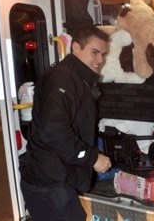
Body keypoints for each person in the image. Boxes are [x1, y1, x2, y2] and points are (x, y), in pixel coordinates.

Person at [19, 25, 112, 221]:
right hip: (48, 182)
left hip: (54, 180)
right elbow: (53, 132)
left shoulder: (78, 78)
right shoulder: (62, 78)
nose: (100, 60)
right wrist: (92, 157)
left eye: (103, 54)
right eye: (94, 52)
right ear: (76, 47)